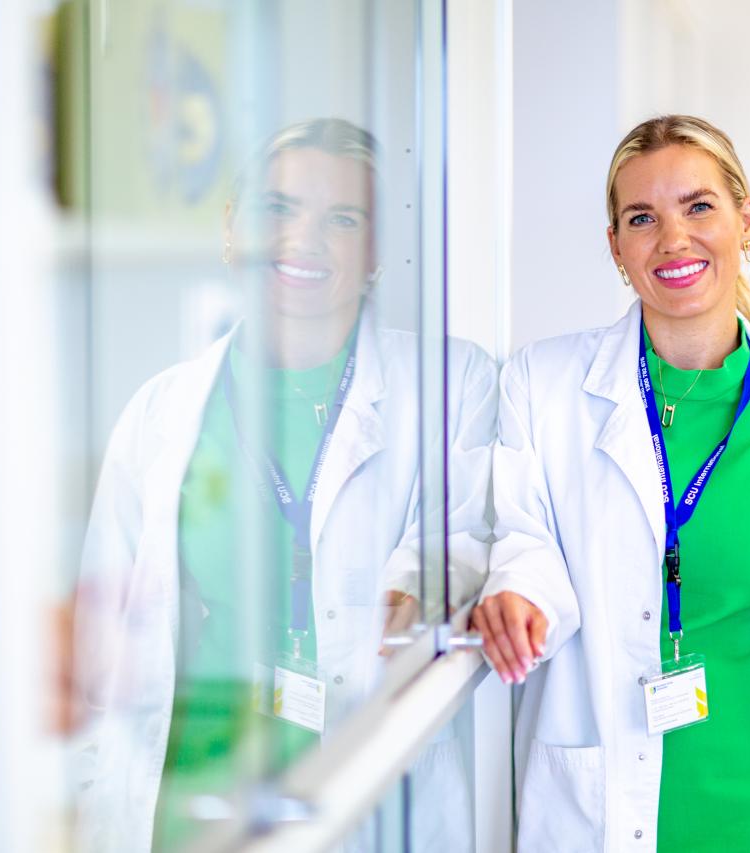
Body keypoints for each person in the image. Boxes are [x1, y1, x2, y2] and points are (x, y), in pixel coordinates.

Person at [472, 114, 750, 852]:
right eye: (642, 217)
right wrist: (517, 589)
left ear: (747, 221)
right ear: (616, 246)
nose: (673, 239)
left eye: (699, 207)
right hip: (604, 809)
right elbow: (517, 536)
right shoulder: (541, 387)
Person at [73, 118, 495, 852]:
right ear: (233, 228)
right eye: (279, 209)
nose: (305, 238)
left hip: (369, 799)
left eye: (342, 219)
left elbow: (468, 538)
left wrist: (420, 584)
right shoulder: (162, 412)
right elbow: (102, 640)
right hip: (195, 795)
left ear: (373, 253)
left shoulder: (450, 384)